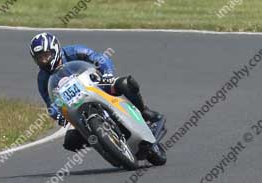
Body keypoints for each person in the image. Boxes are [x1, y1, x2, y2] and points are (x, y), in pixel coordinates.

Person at [30, 32, 163, 151]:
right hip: (76, 105)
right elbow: (50, 102)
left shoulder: (74, 51)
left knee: (125, 83)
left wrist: (107, 74)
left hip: (96, 85)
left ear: (55, 50)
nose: (43, 61)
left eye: (46, 56)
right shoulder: (42, 79)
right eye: (39, 58)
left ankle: (143, 111)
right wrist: (58, 115)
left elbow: (100, 58)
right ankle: (105, 145)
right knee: (70, 141)